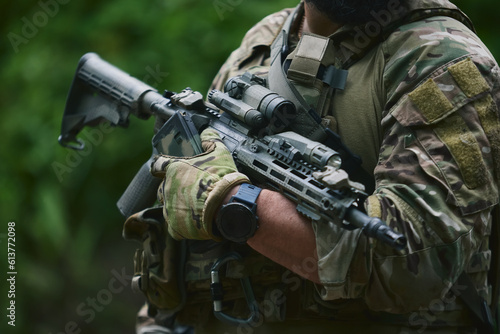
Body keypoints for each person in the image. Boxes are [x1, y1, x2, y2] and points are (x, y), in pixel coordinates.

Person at [125, 0, 500, 333]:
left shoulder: (443, 59)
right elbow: (188, 196)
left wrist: (232, 203)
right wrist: (158, 323)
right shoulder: (267, 39)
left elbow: (414, 263)